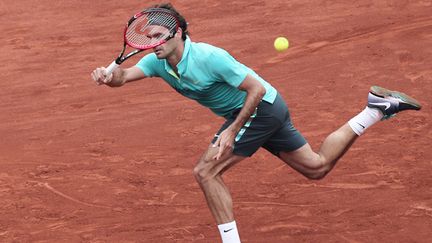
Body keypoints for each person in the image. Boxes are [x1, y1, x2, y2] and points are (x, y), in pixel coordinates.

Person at [91, 3, 422, 243]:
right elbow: (124, 76)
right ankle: (376, 109)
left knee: (206, 171)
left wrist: (232, 131)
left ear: (178, 33)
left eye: (160, 36)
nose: (153, 43)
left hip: (260, 108)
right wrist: (109, 77)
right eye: (149, 38)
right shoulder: (158, 62)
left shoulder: (208, 57)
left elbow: (256, 88)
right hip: (266, 110)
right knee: (316, 167)